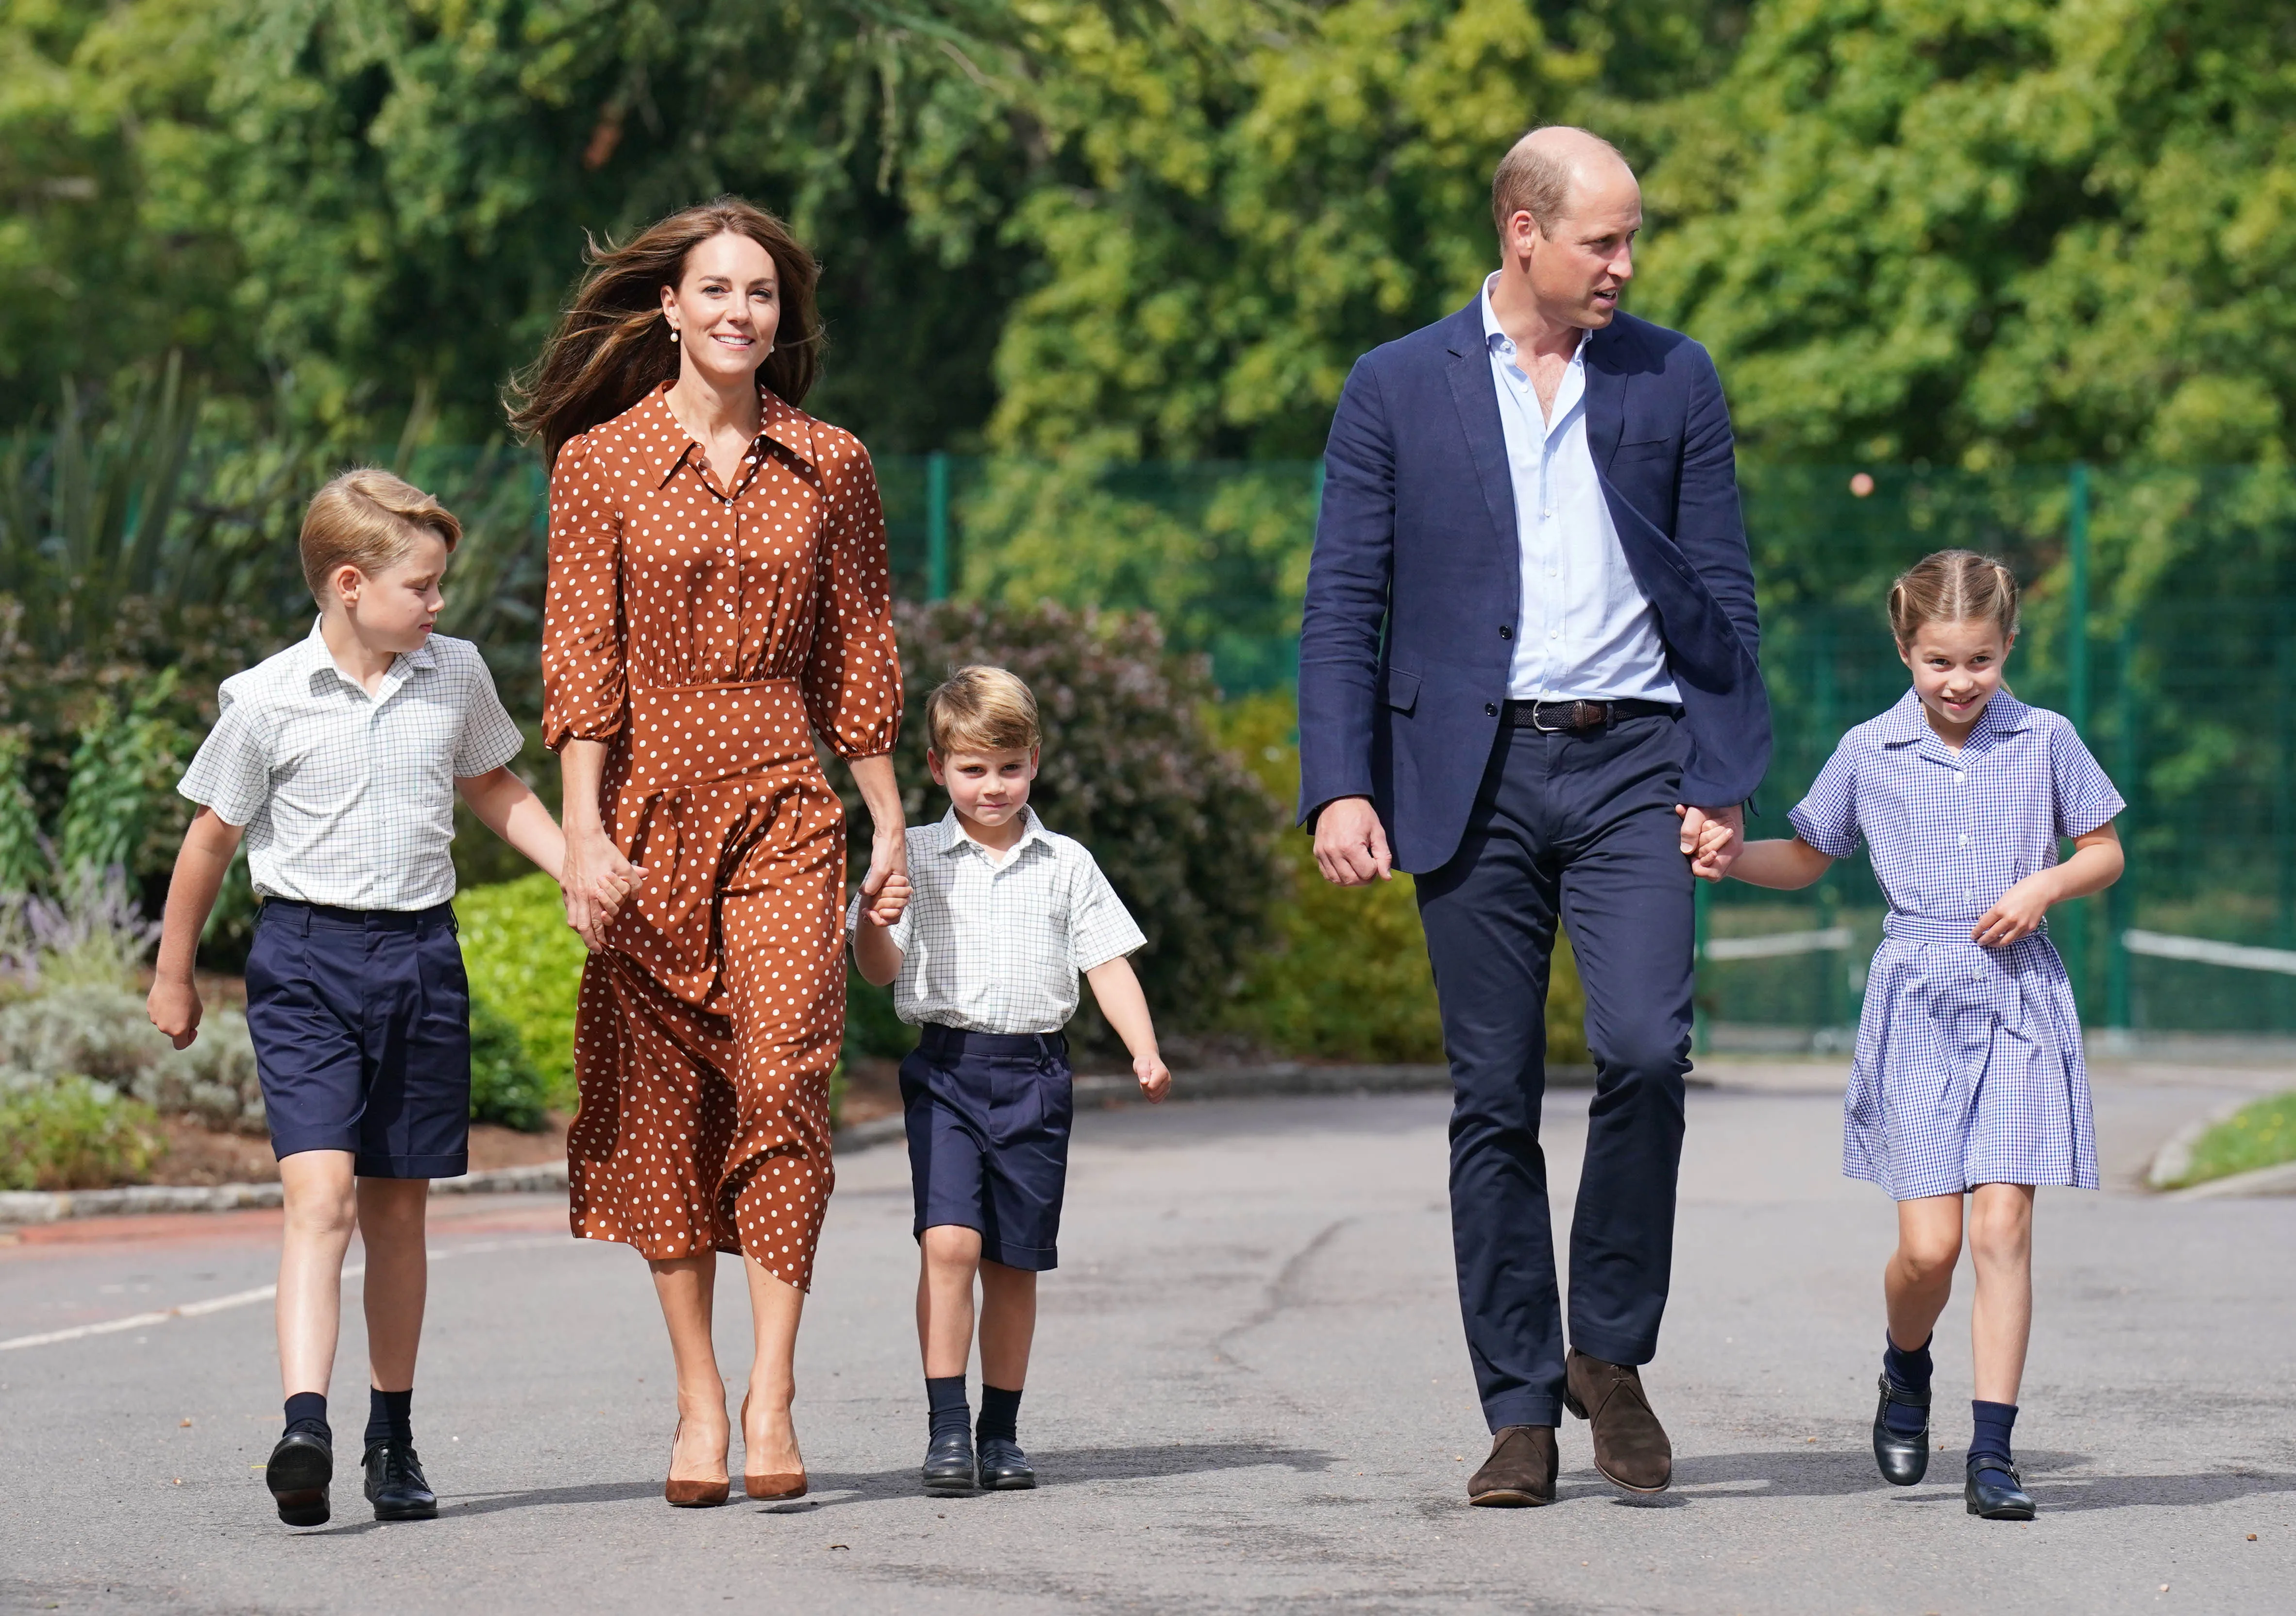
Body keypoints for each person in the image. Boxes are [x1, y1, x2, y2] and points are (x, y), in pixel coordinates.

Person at [1297, 125, 1772, 1507]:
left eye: (1632, 240)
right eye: (1602, 240)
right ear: (1522, 230)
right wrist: (1340, 781)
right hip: (1470, 775)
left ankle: (1607, 1354)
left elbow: (1724, 590)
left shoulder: (1672, 377)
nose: (1625, 264)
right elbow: (1344, 603)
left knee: (1642, 1053)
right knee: (1492, 1100)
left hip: (1635, 762)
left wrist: (1722, 772)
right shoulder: (1395, 387)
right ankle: (1518, 1406)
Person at [510, 196, 908, 1508]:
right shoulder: (602, 465)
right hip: (642, 812)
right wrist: (579, 836)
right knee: (663, 1103)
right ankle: (695, 1403)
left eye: (764, 296)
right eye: (718, 290)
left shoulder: (832, 463)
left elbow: (858, 650)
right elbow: (580, 659)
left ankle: (774, 1389)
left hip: (790, 800)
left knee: (789, 1067)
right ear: (670, 308)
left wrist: (889, 816)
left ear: (780, 320)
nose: (742, 313)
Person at [146, 469, 585, 1528]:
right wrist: (173, 970)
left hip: (422, 959)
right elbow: (212, 836)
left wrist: (576, 865)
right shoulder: (266, 699)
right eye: (423, 586)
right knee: (322, 1198)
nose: (439, 605)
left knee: (398, 1209)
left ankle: (392, 1435)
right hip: (304, 964)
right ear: (351, 584)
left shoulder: (455, 672)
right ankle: (307, 1425)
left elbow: (493, 785)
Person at [1718, 550, 2123, 1521]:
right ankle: (1906, 1367)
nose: (1960, 681)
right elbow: (1810, 854)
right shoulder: (1869, 749)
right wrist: (1727, 856)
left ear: (2009, 645)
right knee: (1930, 1250)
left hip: (2020, 997)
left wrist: (2045, 884)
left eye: (1980, 659)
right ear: (1905, 648)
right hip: (1917, 1003)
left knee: (2001, 1226)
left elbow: (2103, 850)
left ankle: (1992, 1451)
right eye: (1940, 660)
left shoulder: (2046, 737)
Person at [848, 666, 1172, 1495]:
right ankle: (947, 1430)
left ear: (1034, 761)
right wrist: (875, 920)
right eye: (972, 770)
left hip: (1034, 1073)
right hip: (948, 1068)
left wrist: (1144, 1048)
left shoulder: (1066, 864)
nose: (992, 787)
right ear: (936, 768)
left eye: (1009, 767)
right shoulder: (911, 855)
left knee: (1014, 1264)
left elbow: (1107, 963)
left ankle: (1001, 1432)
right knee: (948, 1243)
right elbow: (879, 970)